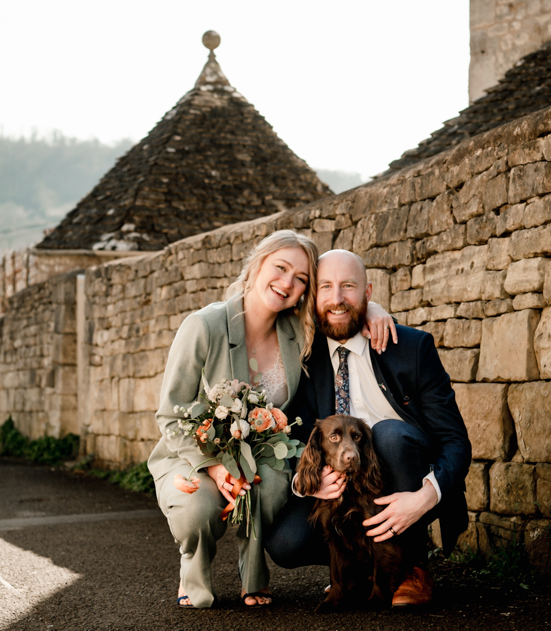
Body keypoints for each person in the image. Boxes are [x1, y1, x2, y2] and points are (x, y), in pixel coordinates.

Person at [148, 231, 395, 609]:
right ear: (257, 264)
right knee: (198, 510)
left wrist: (373, 309)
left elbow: (339, 310)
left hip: (261, 455)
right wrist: (213, 467)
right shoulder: (204, 326)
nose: (287, 282)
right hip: (192, 453)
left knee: (272, 484)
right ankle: (192, 569)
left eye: (301, 279)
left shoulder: (298, 331)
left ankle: (254, 577)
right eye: (280, 268)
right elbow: (170, 413)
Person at [266, 249, 472, 607]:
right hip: (342, 488)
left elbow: (455, 441)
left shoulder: (411, 347)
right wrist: (307, 482)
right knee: (285, 542)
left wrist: (424, 498)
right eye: (326, 287)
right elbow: (296, 438)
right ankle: (358, 569)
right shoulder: (304, 358)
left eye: (348, 286)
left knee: (388, 435)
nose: (337, 298)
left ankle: (412, 567)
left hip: (406, 477)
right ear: (313, 297)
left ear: (368, 292)